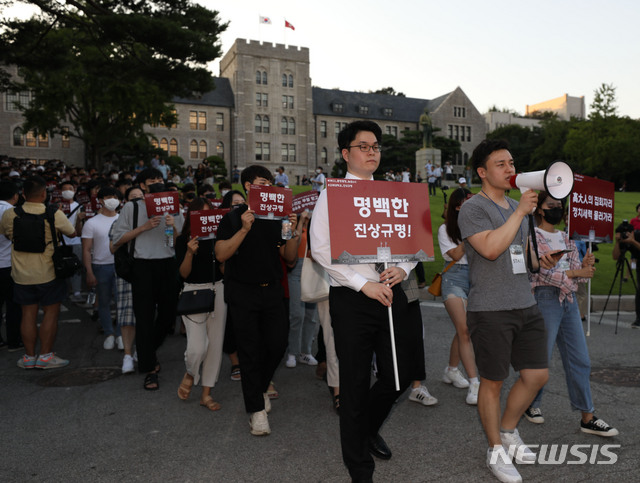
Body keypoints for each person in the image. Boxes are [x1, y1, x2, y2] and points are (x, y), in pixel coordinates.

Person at [310, 120, 419, 482]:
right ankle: (359, 468)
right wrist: (362, 284)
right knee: (354, 386)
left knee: (399, 376)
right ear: (346, 153)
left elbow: (412, 238)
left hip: (392, 292)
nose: (372, 152)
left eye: (375, 146)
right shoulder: (333, 193)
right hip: (354, 299)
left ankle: (367, 428)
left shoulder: (393, 192)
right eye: (364, 146)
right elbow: (322, 251)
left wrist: (403, 268)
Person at [458, 139, 557, 483]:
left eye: (512, 162)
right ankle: (495, 450)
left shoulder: (518, 205)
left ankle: (509, 431)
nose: (510, 168)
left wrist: (536, 257)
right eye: (500, 164)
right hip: (490, 308)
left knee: (536, 375)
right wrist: (519, 214)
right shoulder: (473, 208)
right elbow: (488, 249)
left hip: (524, 302)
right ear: (483, 173)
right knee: (492, 382)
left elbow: (521, 255)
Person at [215, 165, 298, 436]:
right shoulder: (233, 217)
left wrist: (291, 232)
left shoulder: (277, 216)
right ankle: (256, 412)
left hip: (272, 290)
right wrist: (243, 230)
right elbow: (220, 254)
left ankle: (259, 387)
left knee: (278, 343)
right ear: (249, 186)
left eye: (271, 182)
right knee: (249, 351)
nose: (268, 186)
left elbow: (290, 258)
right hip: (242, 292)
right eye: (263, 182)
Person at [526, 191, 618, 436]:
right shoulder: (532, 236)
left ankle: (587, 416)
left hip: (567, 301)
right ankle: (530, 404)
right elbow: (542, 274)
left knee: (581, 360)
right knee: (540, 360)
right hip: (544, 299)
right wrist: (577, 275)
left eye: (559, 205)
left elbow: (573, 271)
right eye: (551, 205)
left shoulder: (567, 238)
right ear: (539, 209)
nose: (556, 209)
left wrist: (585, 266)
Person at [110, 168, 183, 391]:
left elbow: (180, 236)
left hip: (168, 264)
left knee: (169, 314)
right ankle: (149, 369)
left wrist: (172, 225)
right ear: (143, 186)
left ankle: (147, 349)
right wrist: (143, 227)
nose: (158, 182)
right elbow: (117, 240)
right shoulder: (132, 208)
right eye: (152, 180)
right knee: (143, 316)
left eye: (160, 179)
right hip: (142, 266)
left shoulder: (173, 206)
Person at [0, 175, 76, 369]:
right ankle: (45, 357)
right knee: (51, 313)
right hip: (48, 271)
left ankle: (28, 357)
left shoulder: (11, 214)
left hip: (21, 273)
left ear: (23, 194)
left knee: (27, 314)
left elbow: (6, 233)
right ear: (44, 194)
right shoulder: (53, 213)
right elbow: (72, 233)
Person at [175, 197, 225, 412]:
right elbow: (183, 274)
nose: (206, 219)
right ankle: (190, 371)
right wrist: (189, 252)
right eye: (201, 215)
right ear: (192, 217)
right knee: (197, 347)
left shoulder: (219, 238)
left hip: (219, 290)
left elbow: (224, 269)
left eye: (209, 213)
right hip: (193, 292)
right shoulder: (183, 240)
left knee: (214, 346)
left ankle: (206, 393)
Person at [438, 187, 479, 405]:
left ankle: (451, 370)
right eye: (467, 203)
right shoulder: (445, 229)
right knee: (464, 330)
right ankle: (475, 383)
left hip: (474, 279)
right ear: (457, 206)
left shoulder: (480, 226)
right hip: (453, 279)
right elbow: (455, 254)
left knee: (464, 329)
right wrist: (470, 232)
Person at [82, 187, 122, 350]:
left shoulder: (122, 220)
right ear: (100, 201)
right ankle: (109, 333)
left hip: (120, 267)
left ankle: (120, 334)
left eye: (115, 196)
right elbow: (86, 249)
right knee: (103, 302)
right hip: (100, 266)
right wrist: (89, 271)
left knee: (122, 303)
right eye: (108, 196)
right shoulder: (92, 222)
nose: (112, 199)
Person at [110, 186, 142, 374]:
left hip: (149, 272)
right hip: (127, 274)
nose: (137, 200)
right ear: (126, 202)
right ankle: (128, 355)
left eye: (141, 197)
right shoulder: (120, 221)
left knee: (146, 315)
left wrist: (171, 228)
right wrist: (140, 229)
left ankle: (141, 350)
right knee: (127, 316)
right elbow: (112, 247)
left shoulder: (155, 220)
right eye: (133, 197)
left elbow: (169, 244)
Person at [285, 211, 319, 368]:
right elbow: (294, 244)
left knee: (311, 316)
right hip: (296, 272)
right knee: (297, 314)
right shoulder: (294, 228)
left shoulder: (315, 228)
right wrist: (300, 223)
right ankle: (293, 352)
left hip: (312, 271)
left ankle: (306, 352)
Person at [0, 180, 22, 351]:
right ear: (15, 196)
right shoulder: (12, 212)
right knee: (14, 305)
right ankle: (14, 341)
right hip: (8, 264)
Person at [612, 216, 640, 329]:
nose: (625, 236)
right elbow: (615, 256)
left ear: (632, 232)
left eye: (627, 234)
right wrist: (618, 242)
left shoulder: (638, 235)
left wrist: (633, 241)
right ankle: (639, 318)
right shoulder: (623, 240)